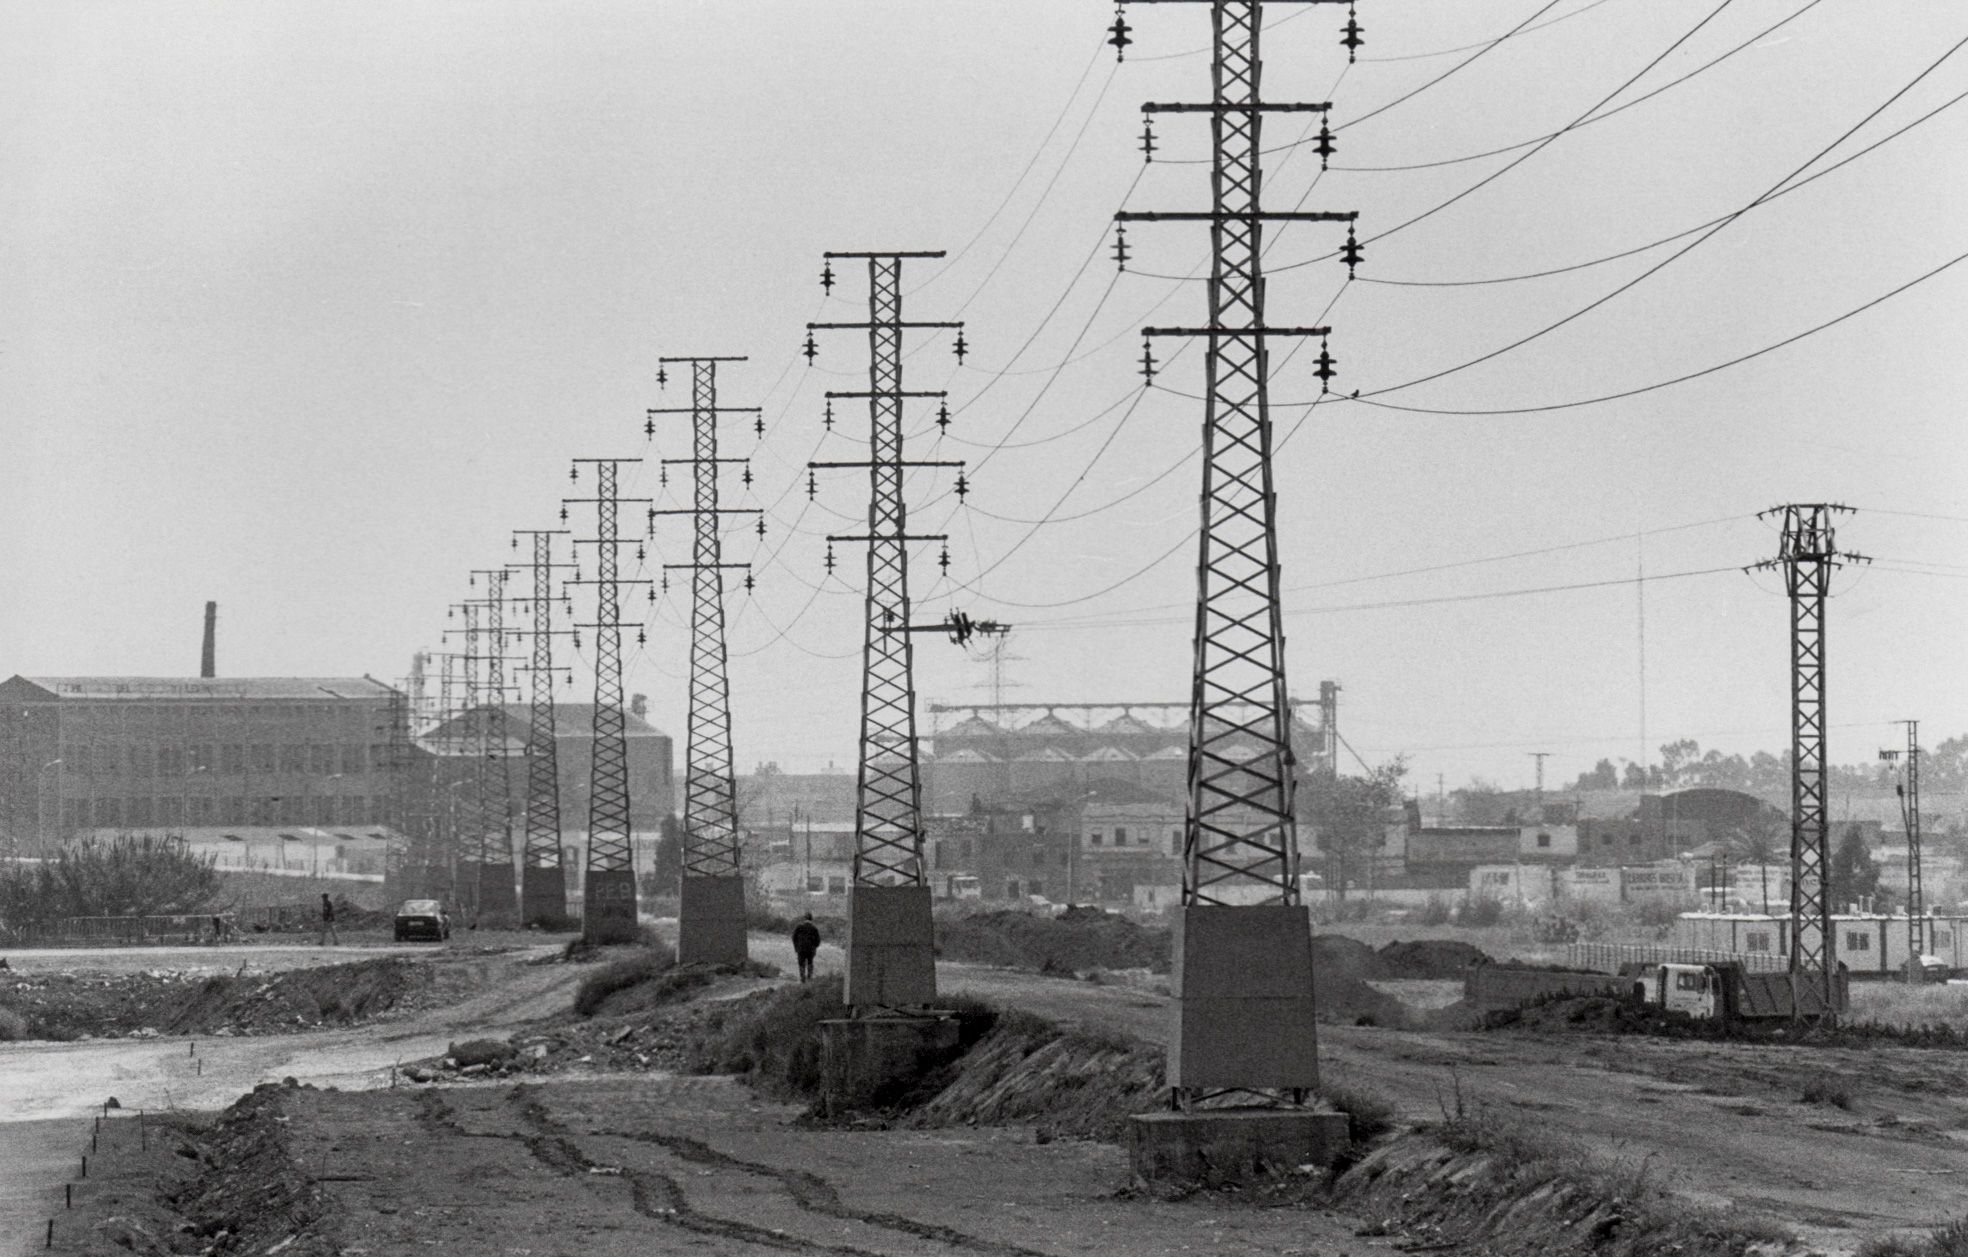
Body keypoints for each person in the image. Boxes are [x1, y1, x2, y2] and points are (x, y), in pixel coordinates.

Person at [791, 912, 821, 983]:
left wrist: (796, 947)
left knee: (801, 963)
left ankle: (802, 979)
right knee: (810, 963)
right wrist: (815, 947)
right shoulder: (814, 928)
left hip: (801, 949)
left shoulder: (799, 927)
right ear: (811, 919)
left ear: (804, 918)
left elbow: (794, 937)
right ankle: (809, 978)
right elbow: (818, 940)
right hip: (810, 949)